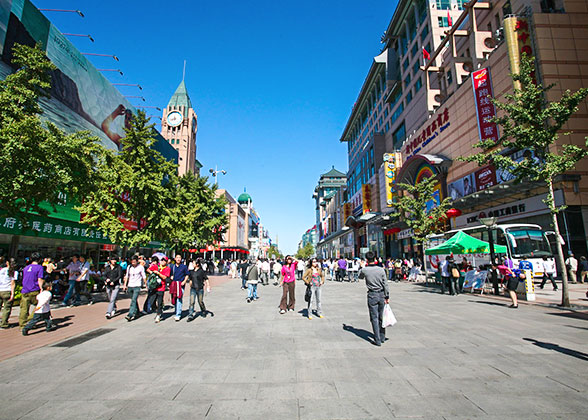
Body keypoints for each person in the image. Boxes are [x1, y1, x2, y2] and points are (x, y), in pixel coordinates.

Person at [359, 251, 389, 346]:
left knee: (374, 317)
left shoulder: (365, 270)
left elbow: (360, 276)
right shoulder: (381, 270)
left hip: (372, 295)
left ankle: (377, 339)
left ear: (367, 260)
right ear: (375, 259)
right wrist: (387, 295)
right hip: (381, 294)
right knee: (381, 316)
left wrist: (362, 266)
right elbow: (385, 284)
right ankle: (382, 336)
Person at [19, 252, 45, 329]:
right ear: (39, 259)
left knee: (24, 308)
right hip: (34, 289)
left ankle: (22, 325)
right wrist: (41, 289)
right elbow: (40, 279)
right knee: (39, 305)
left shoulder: (26, 268)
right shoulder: (39, 267)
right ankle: (30, 321)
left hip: (25, 289)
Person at [123, 256, 146, 322]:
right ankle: (137, 312)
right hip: (130, 285)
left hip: (137, 285)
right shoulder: (129, 267)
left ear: (137, 261)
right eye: (132, 261)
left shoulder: (140, 267)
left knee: (133, 300)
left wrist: (146, 285)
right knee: (134, 300)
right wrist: (125, 285)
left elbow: (143, 276)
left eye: (134, 261)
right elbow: (127, 276)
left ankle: (130, 314)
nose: (133, 263)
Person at [170, 254, 189, 321]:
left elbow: (187, 275)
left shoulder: (183, 267)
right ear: (175, 259)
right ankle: (176, 310)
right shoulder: (173, 267)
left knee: (179, 298)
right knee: (174, 298)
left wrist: (184, 281)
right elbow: (170, 275)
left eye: (179, 258)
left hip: (181, 285)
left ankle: (178, 314)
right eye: (177, 257)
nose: (178, 259)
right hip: (174, 284)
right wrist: (171, 277)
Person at [152, 257, 170, 323]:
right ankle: (157, 310)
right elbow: (148, 270)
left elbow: (165, 277)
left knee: (159, 302)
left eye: (165, 261)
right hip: (154, 287)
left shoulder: (167, 269)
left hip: (161, 287)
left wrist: (158, 273)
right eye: (162, 260)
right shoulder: (157, 266)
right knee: (152, 301)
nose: (163, 261)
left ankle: (158, 315)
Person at [0, 257, 17, 329]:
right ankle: (4, 323)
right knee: (7, 308)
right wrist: (12, 294)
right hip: (7, 290)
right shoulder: (14, 272)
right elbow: (12, 283)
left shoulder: (2, 270)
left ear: (7, 263)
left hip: (0, 289)